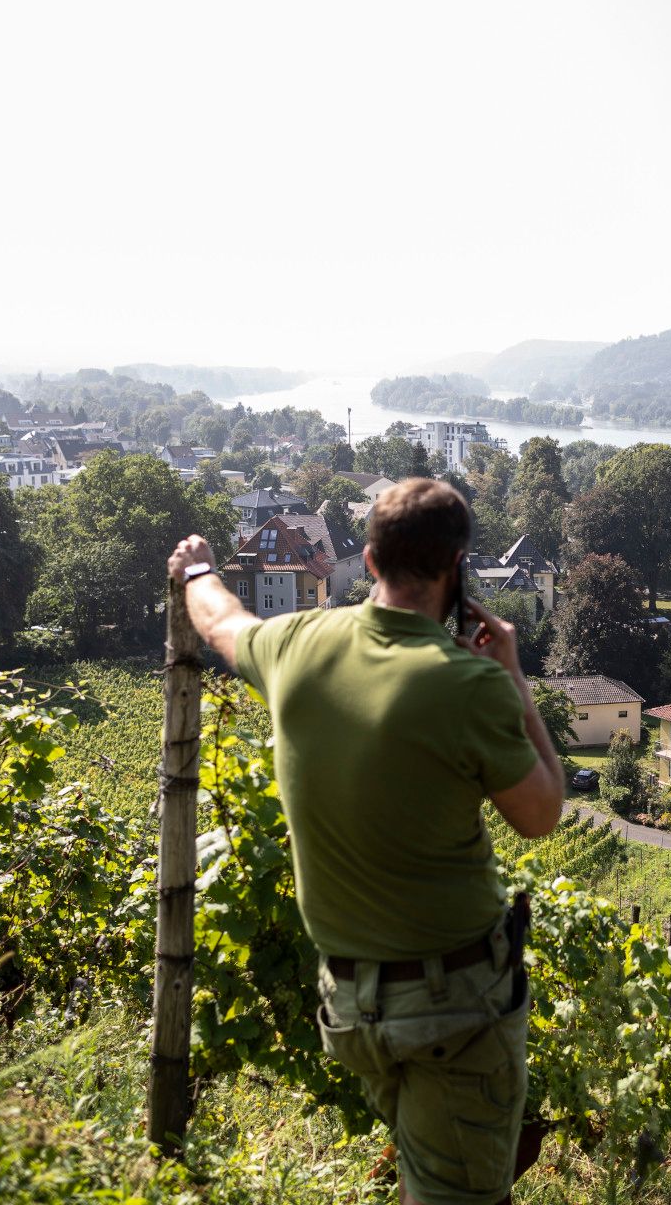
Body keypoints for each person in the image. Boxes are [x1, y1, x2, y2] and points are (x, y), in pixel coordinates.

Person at [167, 478, 564, 1205]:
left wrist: (197, 567)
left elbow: (219, 622)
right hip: (454, 1005)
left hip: (351, 1005)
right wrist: (514, 680)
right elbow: (542, 813)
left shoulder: (294, 645)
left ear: (371, 559)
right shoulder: (469, 683)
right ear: (457, 566)